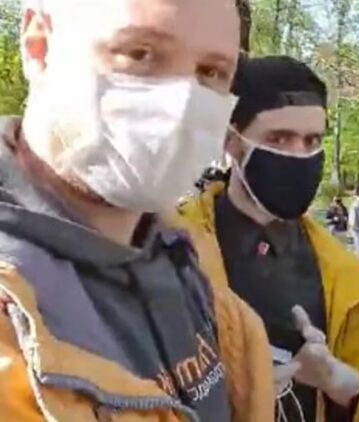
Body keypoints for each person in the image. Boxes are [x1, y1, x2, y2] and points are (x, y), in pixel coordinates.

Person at [0, 0, 275, 421]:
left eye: (211, 72)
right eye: (140, 53)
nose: (181, 105)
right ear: (39, 45)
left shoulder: (187, 254)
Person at [174, 55, 359, 422]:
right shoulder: (170, 245)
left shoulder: (345, 274)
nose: (299, 156)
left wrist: (340, 386)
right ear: (231, 139)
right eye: (279, 138)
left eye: (312, 141)